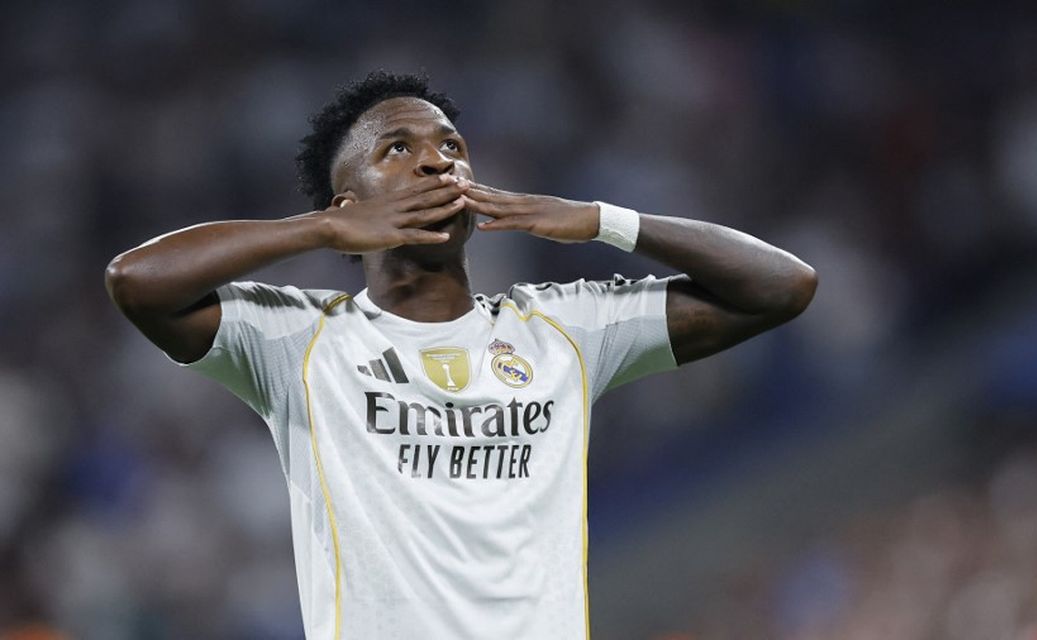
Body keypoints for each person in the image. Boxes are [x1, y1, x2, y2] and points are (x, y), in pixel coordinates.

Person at [104, 71, 816, 639]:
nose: (437, 162)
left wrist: (603, 220)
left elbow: (782, 287)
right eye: (398, 149)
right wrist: (318, 230)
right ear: (350, 205)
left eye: (451, 146)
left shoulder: (563, 328)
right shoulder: (299, 340)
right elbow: (136, 280)